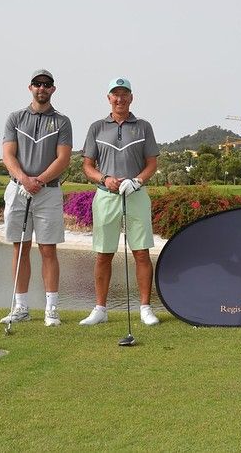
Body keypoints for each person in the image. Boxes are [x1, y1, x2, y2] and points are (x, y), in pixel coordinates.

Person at [80, 77, 160, 326]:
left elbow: (152, 163)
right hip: (106, 196)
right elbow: (87, 166)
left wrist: (137, 181)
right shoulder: (96, 127)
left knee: (141, 252)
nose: (120, 98)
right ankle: (100, 309)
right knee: (103, 254)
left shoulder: (143, 126)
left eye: (124, 93)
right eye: (115, 94)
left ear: (131, 97)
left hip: (136, 194)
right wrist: (105, 179)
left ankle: (145, 308)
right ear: (108, 98)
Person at [0, 69, 72, 326]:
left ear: (53, 89)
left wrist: (38, 181)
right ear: (30, 87)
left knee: (48, 249)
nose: (42, 88)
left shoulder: (62, 121)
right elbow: (8, 154)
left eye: (47, 84)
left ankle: (51, 309)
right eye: (37, 84)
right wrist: (23, 179)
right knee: (20, 248)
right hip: (18, 189)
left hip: (48, 191)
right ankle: (21, 307)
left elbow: (63, 158)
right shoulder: (15, 118)